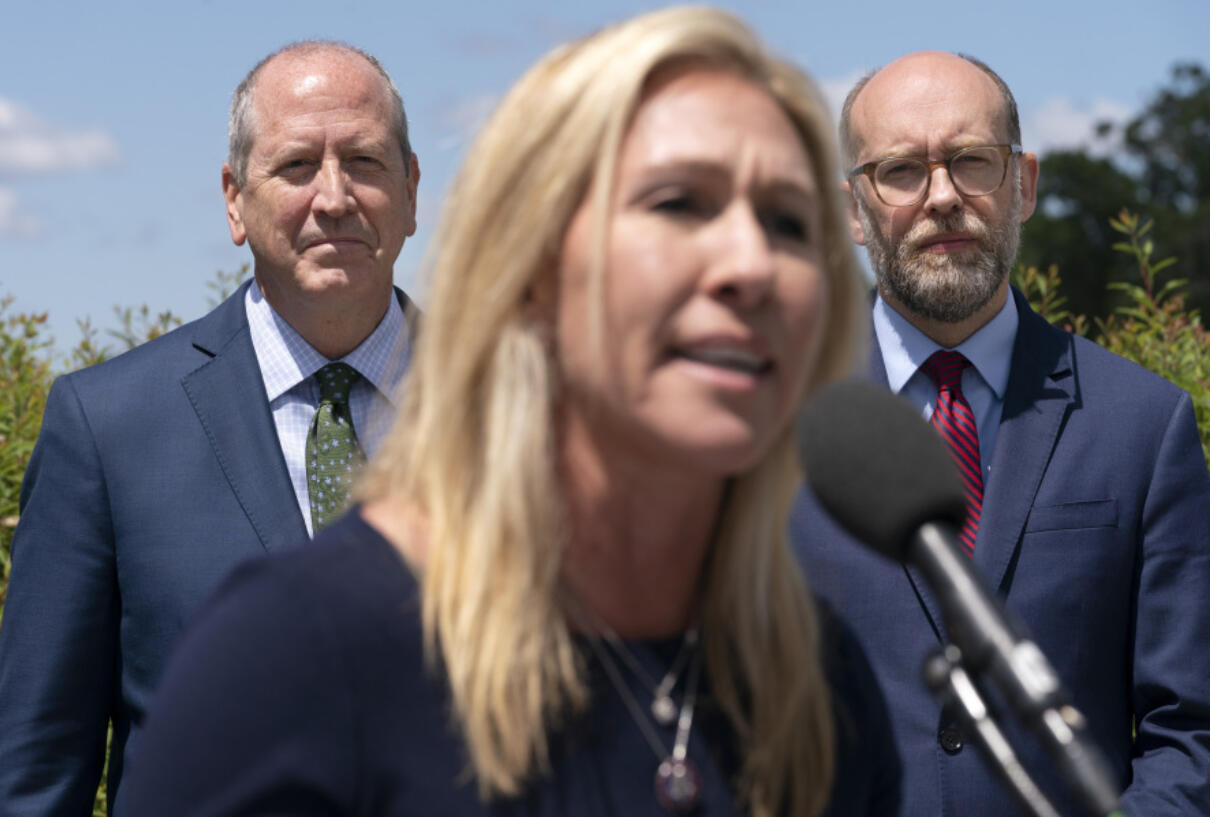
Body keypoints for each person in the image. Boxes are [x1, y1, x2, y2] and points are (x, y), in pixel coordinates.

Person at [115, 8, 899, 817]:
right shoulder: (289, 656)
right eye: (678, 204)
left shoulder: (817, 682)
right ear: (532, 267)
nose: (751, 264)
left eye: (789, 222)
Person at [0, 41, 420, 815]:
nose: (333, 195)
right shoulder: (109, 428)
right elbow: (35, 778)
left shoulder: (520, 417)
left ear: (412, 190)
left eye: (364, 160)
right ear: (233, 199)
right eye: (295, 167)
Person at [792, 50, 1210, 816]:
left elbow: (1192, 730)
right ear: (853, 211)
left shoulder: (1144, 427)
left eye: (971, 161)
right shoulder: (777, 432)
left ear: (1025, 186)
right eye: (901, 172)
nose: (942, 196)